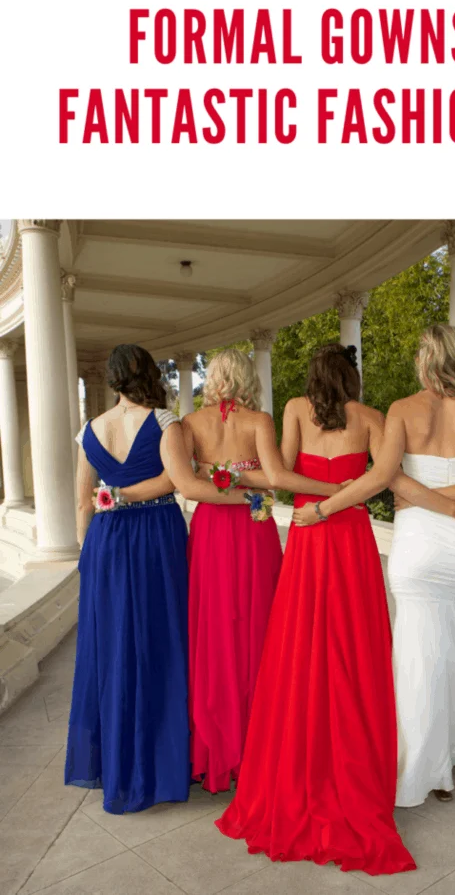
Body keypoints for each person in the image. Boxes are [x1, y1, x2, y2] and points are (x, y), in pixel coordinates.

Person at [295, 325, 455, 809]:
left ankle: (417, 766)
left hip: (416, 545)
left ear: (425, 361)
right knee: (453, 644)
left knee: (414, 651)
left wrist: (326, 508)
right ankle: (451, 756)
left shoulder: (402, 410)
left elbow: (384, 479)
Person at [216, 343, 416, 876]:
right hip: (348, 537)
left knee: (301, 650)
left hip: (309, 533)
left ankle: (301, 768)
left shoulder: (295, 412)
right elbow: (381, 480)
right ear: (352, 376)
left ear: (312, 378)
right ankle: (351, 772)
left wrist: (235, 476)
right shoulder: (374, 419)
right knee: (351, 651)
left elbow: (278, 473)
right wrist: (336, 498)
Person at [65, 344, 258, 814]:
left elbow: (82, 505)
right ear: (149, 375)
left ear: (112, 380)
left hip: (106, 544)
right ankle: (158, 764)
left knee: (113, 651)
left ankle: (118, 766)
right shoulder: (164, 423)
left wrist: (90, 556)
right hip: (154, 540)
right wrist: (252, 500)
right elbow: (182, 483)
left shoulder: (90, 430)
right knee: (160, 645)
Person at [181, 348, 357, 794]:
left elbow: (189, 481)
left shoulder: (192, 424)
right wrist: (335, 490)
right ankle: (257, 746)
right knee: (260, 629)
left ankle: (211, 751)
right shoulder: (259, 421)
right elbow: (276, 478)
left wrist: (218, 473)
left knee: (213, 631)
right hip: (253, 524)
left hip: (209, 529)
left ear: (213, 379)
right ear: (247, 379)